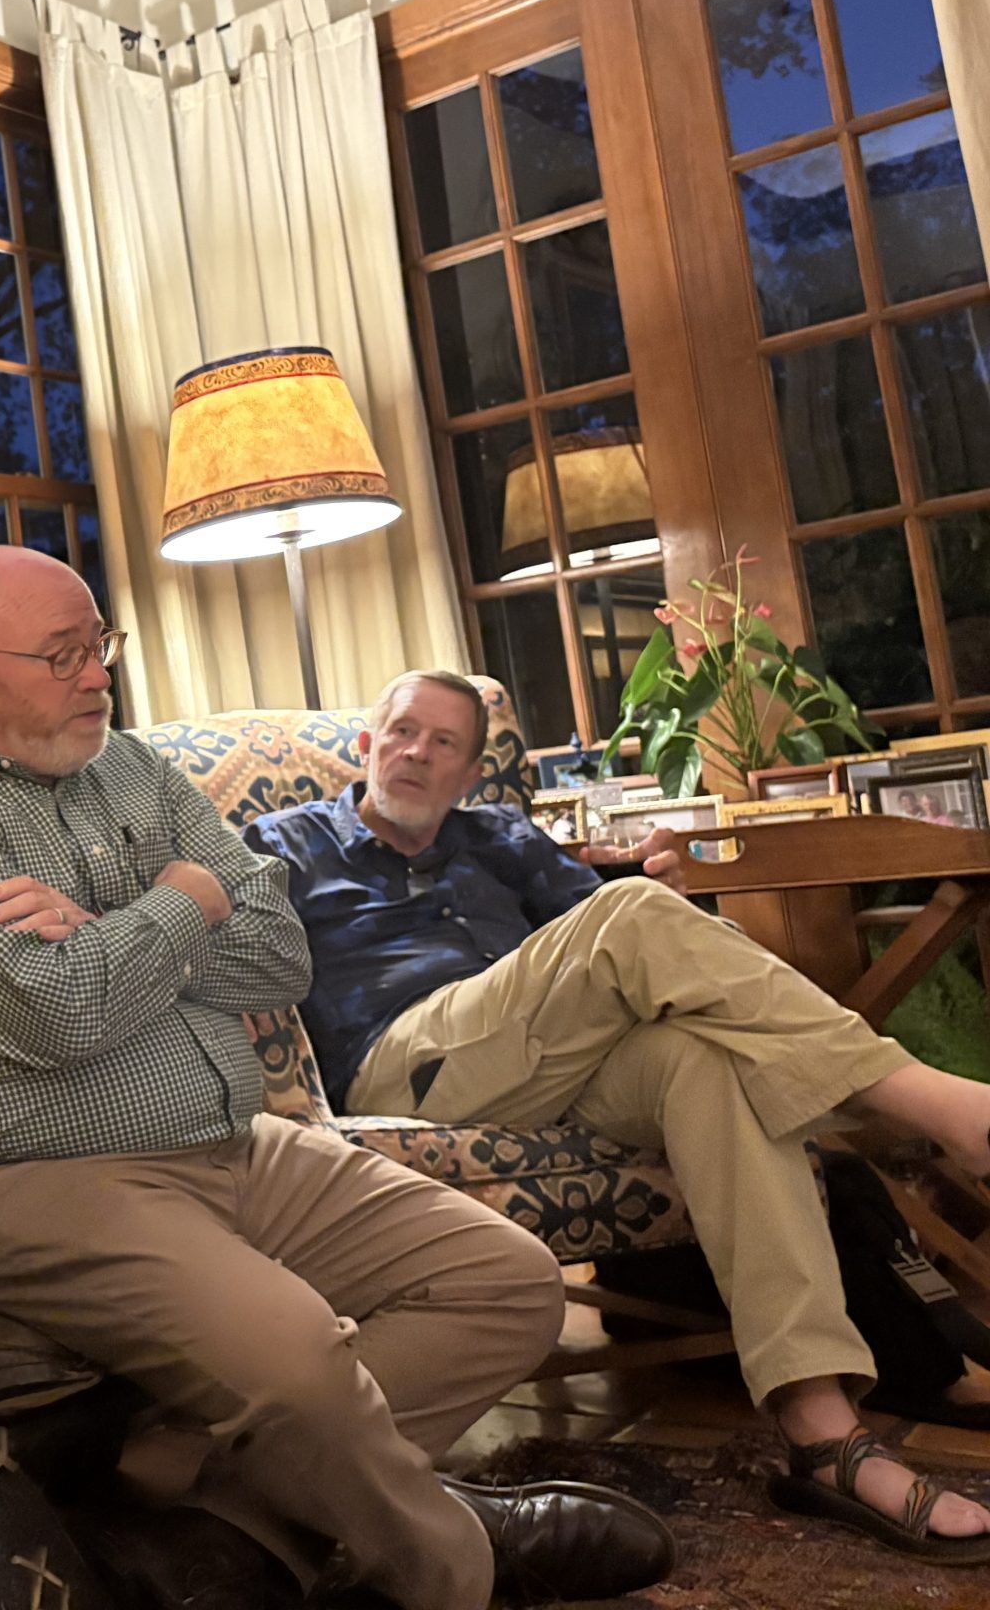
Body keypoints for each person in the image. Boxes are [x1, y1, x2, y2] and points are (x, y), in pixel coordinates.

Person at [0, 547, 674, 1610]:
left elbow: (282, 957)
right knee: (299, 1372)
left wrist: (111, 930)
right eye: (64, 655)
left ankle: (207, 1504)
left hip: (236, 1145)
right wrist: (186, 901)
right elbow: (58, 1011)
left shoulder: (132, 770)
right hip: (38, 1181)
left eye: (101, 645)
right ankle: (459, 1555)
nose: (98, 674)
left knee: (505, 1284)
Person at [248, 669, 990, 1567]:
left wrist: (663, 888)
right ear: (365, 745)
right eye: (402, 731)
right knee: (631, 916)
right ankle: (942, 1106)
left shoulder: (502, 838)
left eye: (445, 743)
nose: (417, 752)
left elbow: (625, 939)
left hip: (549, 1061)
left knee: (709, 1061)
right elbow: (201, 933)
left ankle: (820, 1431)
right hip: (404, 1065)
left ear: (471, 773)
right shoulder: (279, 845)